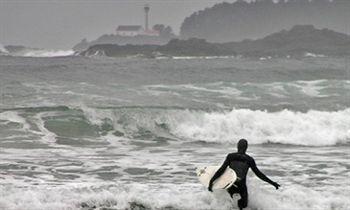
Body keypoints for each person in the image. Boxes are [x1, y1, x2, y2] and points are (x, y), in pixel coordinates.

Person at [208, 139, 280, 210]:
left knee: (229, 205)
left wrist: (212, 181)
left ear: (237, 146)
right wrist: (273, 183)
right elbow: (259, 174)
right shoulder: (249, 159)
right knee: (243, 205)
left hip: (231, 184)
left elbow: (221, 170)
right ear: (246, 147)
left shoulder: (231, 156)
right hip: (241, 186)